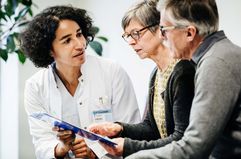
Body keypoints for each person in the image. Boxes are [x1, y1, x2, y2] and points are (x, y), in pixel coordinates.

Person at [20, 5, 141, 159]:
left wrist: (94, 152)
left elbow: (132, 128)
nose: (79, 44)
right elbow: (41, 142)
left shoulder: (111, 71)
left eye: (79, 34)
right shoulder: (35, 86)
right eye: (67, 40)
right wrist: (62, 148)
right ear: (49, 50)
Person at [126, 0, 241, 159]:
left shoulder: (215, 63)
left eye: (164, 30)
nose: (162, 36)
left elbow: (195, 147)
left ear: (189, 33)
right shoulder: (218, 54)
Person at [88, 0, 195, 158]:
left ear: (160, 28)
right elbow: (151, 128)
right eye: (127, 36)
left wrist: (129, 146)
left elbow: (182, 139)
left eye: (136, 33)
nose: (131, 42)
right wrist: (119, 128)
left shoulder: (183, 71)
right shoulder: (156, 74)